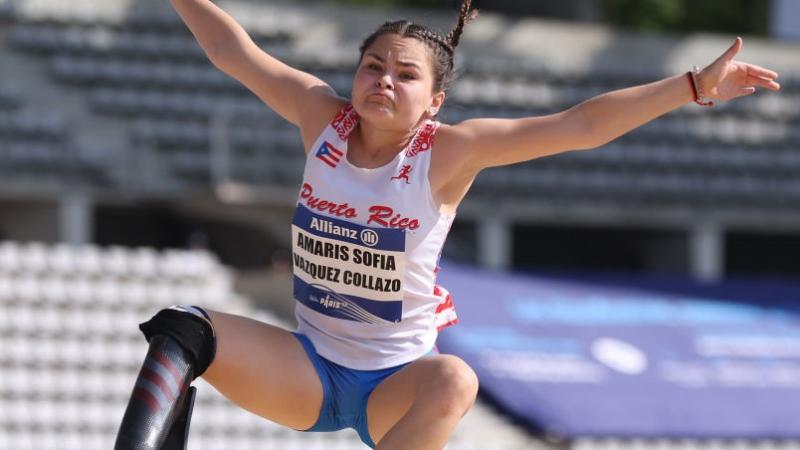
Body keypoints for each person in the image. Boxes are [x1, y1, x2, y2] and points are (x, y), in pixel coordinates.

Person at [114, 1, 780, 449]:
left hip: (396, 389)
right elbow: (234, 51)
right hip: (308, 367)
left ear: (434, 102)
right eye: (372, 66)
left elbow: (580, 126)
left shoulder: (450, 152)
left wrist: (692, 86)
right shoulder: (320, 117)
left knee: (457, 379)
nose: (383, 80)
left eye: (405, 75)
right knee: (182, 329)